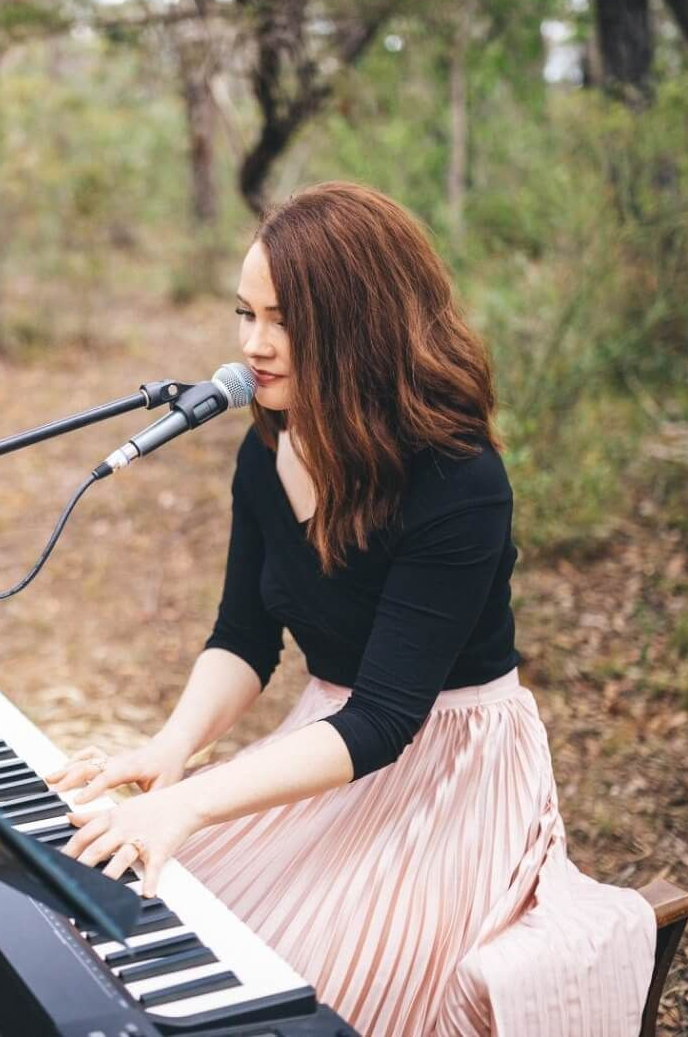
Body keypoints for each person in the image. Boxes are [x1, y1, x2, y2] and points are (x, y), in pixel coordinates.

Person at [44, 182, 656, 1036]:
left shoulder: (458, 478)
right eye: (244, 313)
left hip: (451, 768)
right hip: (326, 739)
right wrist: (171, 750)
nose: (252, 345)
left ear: (359, 324)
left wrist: (190, 804)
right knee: (160, 915)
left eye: (283, 320)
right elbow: (243, 639)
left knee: (301, 976)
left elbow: (385, 720)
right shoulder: (267, 446)